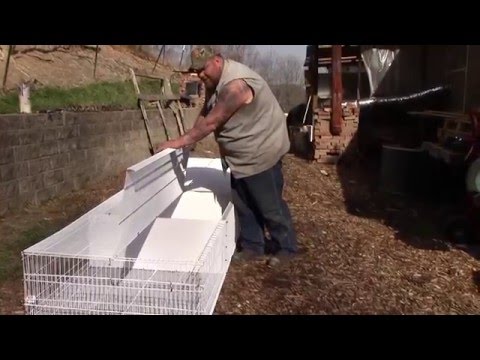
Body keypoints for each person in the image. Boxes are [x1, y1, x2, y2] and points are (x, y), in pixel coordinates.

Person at [155, 46, 298, 265]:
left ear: (218, 60)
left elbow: (213, 122)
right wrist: (188, 142)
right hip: (239, 154)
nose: (201, 75)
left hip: (261, 152)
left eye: (203, 69)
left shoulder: (236, 86)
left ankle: (286, 248)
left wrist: (178, 142)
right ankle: (253, 246)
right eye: (196, 71)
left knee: (270, 206)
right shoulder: (215, 82)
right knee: (243, 203)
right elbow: (206, 113)